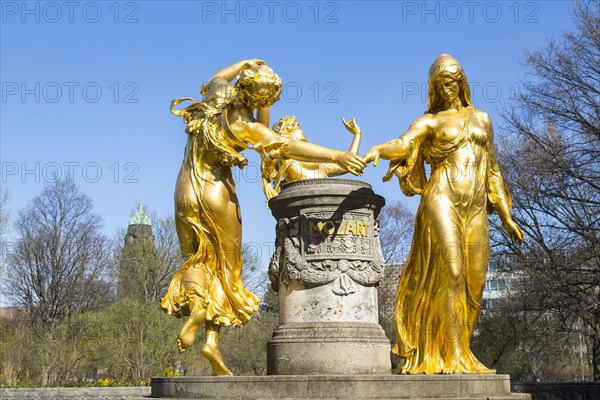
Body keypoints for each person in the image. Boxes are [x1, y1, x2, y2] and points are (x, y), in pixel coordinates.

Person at [161, 59, 365, 375]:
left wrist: (244, 61)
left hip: (185, 189)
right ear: (262, 101)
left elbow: (218, 75)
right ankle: (209, 334)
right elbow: (281, 144)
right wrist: (337, 155)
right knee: (228, 270)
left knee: (197, 262)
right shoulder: (247, 126)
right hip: (217, 193)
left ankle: (204, 325)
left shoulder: (217, 97)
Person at [363, 54, 524, 374]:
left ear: (461, 83)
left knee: (474, 281)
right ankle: (453, 354)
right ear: (433, 87)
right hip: (442, 198)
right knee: (451, 271)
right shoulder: (429, 121)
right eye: (440, 83)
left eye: (452, 82)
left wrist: (506, 215)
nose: (447, 88)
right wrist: (380, 150)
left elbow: (492, 169)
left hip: (476, 206)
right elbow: (404, 142)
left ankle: (461, 349)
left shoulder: (482, 119)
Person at [261, 115, 362, 202]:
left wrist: (357, 135)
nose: (301, 129)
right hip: (305, 204)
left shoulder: (317, 162)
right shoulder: (285, 155)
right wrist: (264, 103)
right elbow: (262, 129)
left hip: (328, 201)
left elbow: (347, 164)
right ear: (287, 130)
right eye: (297, 127)